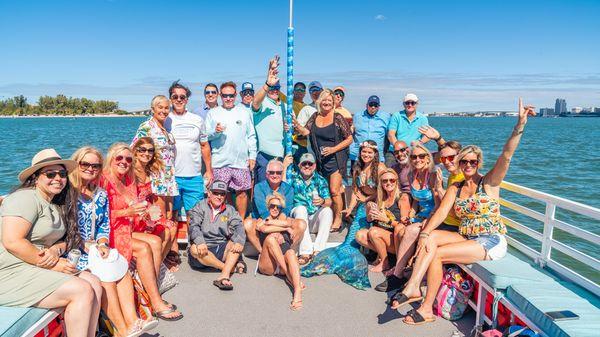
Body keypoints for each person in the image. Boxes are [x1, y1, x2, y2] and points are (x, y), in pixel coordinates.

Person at [390, 100, 535, 325]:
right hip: (467, 235)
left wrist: (519, 126)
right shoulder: (456, 187)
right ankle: (413, 287)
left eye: (473, 161)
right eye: (464, 161)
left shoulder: (488, 183)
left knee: (437, 253)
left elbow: (506, 156)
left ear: (478, 163)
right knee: (431, 239)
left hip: (489, 241)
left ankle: (426, 307)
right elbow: (440, 213)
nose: (468, 165)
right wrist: (426, 233)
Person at [0, 149, 101, 337]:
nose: (58, 178)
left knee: (94, 282)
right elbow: (12, 241)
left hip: (33, 265)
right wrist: (54, 264)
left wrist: (55, 249)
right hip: (10, 271)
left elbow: (66, 240)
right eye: (50, 174)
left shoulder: (55, 203)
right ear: (36, 177)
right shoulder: (26, 198)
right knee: (82, 290)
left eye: (62, 174)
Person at [70, 146, 155, 337]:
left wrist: (102, 242)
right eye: (85, 164)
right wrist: (88, 245)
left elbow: (104, 225)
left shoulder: (100, 194)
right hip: (76, 250)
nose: (91, 169)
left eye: (95, 165)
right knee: (106, 278)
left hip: (96, 247)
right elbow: (67, 230)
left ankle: (134, 322)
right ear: (76, 164)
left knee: (122, 269)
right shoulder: (69, 193)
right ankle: (121, 330)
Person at [100, 143, 183, 321]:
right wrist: (127, 213)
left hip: (125, 227)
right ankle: (155, 301)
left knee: (155, 240)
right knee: (145, 247)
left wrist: (144, 213)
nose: (124, 162)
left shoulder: (128, 180)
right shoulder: (103, 180)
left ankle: (149, 293)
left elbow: (134, 206)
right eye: (119, 158)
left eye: (128, 159)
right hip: (109, 231)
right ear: (111, 158)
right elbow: (99, 216)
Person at [301, 140, 385, 289]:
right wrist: (350, 208)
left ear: (375, 154)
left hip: (377, 203)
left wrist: (366, 199)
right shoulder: (357, 167)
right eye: (364, 152)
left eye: (369, 152)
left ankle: (380, 257)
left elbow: (382, 191)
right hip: (362, 205)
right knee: (350, 239)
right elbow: (354, 190)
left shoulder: (380, 168)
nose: (366, 154)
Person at [293, 89, 353, 232]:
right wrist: (296, 125)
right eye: (324, 100)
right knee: (323, 190)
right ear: (319, 101)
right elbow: (306, 132)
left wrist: (333, 149)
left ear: (333, 103)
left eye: (329, 101)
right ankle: (327, 216)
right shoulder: (315, 116)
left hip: (337, 158)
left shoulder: (337, 117)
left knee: (334, 190)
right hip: (321, 160)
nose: (326, 102)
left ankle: (338, 219)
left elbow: (349, 138)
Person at [132, 95, 179, 262]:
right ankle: (158, 260)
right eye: (160, 107)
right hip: (157, 179)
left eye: (167, 108)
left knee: (169, 217)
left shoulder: (166, 128)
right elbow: (134, 149)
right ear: (153, 109)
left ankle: (164, 257)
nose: (164, 111)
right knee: (161, 222)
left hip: (169, 179)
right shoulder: (146, 127)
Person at [205, 81, 257, 218]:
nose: (228, 98)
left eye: (231, 95)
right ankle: (225, 220)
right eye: (225, 95)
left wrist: (252, 156)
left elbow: (251, 136)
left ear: (236, 96)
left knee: (242, 193)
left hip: (240, 162)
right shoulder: (213, 113)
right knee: (221, 194)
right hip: (220, 162)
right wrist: (215, 132)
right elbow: (205, 136)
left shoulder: (245, 112)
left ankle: (239, 221)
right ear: (220, 96)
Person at [188, 181, 247, 290]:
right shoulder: (200, 206)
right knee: (194, 249)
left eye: (222, 194)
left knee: (236, 243)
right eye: (216, 193)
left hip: (221, 247)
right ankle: (229, 268)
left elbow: (239, 226)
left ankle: (224, 276)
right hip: (203, 247)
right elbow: (193, 226)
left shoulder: (230, 209)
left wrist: (239, 241)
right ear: (209, 193)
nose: (219, 196)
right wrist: (200, 241)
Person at [166, 80, 213, 216]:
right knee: (171, 217)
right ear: (170, 99)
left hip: (194, 177)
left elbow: (204, 146)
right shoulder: (165, 120)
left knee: (195, 218)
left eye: (182, 97)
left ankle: (193, 239)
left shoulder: (197, 119)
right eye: (175, 97)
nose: (179, 100)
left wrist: (209, 170)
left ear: (187, 100)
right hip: (171, 177)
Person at [132, 137, 175, 270]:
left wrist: (156, 215)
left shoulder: (150, 170)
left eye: (150, 150)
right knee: (164, 232)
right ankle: (150, 270)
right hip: (135, 212)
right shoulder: (131, 170)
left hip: (148, 210)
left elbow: (151, 197)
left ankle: (155, 266)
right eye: (142, 150)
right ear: (135, 151)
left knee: (170, 228)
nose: (147, 153)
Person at [256, 192, 304, 310]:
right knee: (271, 238)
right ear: (268, 207)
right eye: (272, 206)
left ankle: (297, 293)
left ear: (282, 209)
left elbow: (293, 223)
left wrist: (283, 225)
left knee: (291, 253)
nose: (275, 209)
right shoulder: (262, 219)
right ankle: (289, 275)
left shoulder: (286, 220)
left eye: (278, 207)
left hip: (284, 258)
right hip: (269, 265)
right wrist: (286, 228)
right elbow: (263, 228)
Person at [282, 153, 333, 265]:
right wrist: (285, 167)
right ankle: (305, 252)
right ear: (299, 166)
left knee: (327, 210)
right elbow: (283, 187)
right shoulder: (293, 178)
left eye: (310, 164)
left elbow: (329, 201)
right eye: (304, 164)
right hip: (299, 220)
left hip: (314, 219)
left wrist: (323, 201)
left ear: (314, 166)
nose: (307, 166)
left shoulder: (320, 180)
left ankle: (319, 250)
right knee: (301, 209)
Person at [244, 159, 304, 253]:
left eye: (278, 173)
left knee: (301, 224)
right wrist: (278, 230)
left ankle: (285, 251)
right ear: (266, 174)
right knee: (247, 224)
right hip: (263, 221)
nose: (275, 175)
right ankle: (262, 252)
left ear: (282, 173)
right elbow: (264, 213)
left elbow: (285, 212)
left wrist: (279, 231)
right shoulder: (259, 187)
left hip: (280, 220)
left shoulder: (289, 189)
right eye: (272, 172)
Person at [355, 168, 404, 273]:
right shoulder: (381, 198)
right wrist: (369, 209)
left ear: (397, 181)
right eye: (384, 181)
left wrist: (386, 220)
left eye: (392, 180)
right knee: (360, 235)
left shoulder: (402, 198)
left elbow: (404, 226)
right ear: (381, 183)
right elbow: (371, 221)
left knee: (373, 231)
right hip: (383, 237)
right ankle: (384, 257)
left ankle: (385, 262)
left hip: (397, 241)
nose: (388, 183)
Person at [252, 56, 287, 182]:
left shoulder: (286, 106)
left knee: (279, 194)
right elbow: (255, 103)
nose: (274, 90)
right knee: (263, 190)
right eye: (271, 88)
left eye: (276, 88)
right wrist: (267, 84)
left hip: (282, 156)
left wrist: (291, 128)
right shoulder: (263, 102)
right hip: (264, 156)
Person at [350, 95, 390, 166]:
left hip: (377, 157)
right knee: (356, 176)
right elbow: (351, 133)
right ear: (366, 105)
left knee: (376, 176)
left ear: (379, 107)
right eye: (371, 104)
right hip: (358, 156)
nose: (373, 107)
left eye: (376, 105)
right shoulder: (357, 116)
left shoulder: (386, 117)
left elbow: (389, 136)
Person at [294, 81, 322, 162]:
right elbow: (298, 130)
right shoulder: (306, 109)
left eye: (317, 89)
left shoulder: (328, 107)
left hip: (328, 151)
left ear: (322, 91)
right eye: (312, 91)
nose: (315, 92)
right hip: (312, 151)